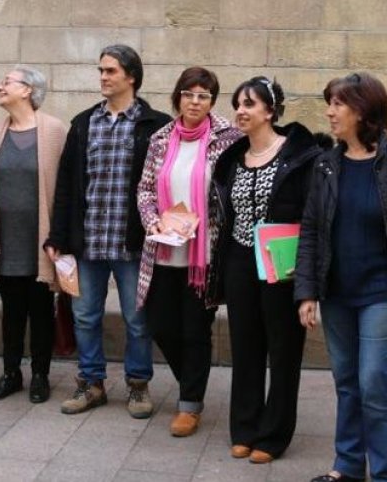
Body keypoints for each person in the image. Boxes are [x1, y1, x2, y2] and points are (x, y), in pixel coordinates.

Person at [295, 73, 387, 482]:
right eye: (330, 103)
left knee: (374, 382)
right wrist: (307, 292)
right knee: (347, 381)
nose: (329, 112)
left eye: (338, 104)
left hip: (384, 294)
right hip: (337, 294)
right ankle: (348, 467)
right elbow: (311, 230)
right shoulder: (326, 165)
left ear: (362, 110)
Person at [44, 45, 171, 418]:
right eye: (100, 70)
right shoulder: (83, 123)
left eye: (111, 71)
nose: (103, 77)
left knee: (136, 319)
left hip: (133, 243)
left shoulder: (156, 124)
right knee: (85, 316)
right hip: (88, 242)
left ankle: (137, 385)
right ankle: (91, 383)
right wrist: (57, 237)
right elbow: (67, 184)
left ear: (131, 76)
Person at [215, 76, 330, 464]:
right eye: (238, 104)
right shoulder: (232, 158)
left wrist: (309, 276)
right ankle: (244, 428)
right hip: (239, 260)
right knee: (245, 347)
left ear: (271, 111)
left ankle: (274, 433)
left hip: (283, 263)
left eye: (249, 104)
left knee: (283, 350)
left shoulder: (299, 156)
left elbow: (312, 216)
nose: (241, 111)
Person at [135, 67, 240, 437]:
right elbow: (146, 190)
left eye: (203, 96)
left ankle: (189, 404)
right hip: (164, 251)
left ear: (212, 101)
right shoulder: (161, 138)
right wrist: (154, 223)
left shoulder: (228, 138)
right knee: (160, 325)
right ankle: (192, 382)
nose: (195, 102)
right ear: (178, 96)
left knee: (196, 330)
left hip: (204, 256)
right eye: (189, 94)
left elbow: (232, 192)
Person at [0, 66, 66, 404]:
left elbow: (67, 189)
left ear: (28, 90)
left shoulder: (54, 132)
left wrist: (62, 236)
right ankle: (10, 374)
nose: (0, 86)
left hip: (40, 241)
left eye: (7, 82)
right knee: (11, 312)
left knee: (40, 312)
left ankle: (40, 375)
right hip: (4, 239)